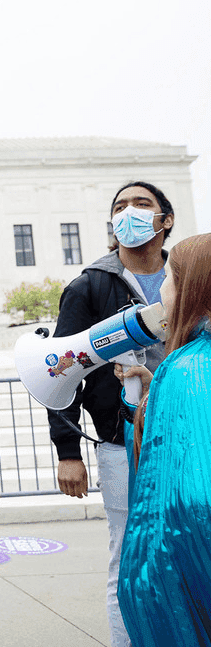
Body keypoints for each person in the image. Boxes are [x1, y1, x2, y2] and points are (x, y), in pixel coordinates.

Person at [47, 181, 174, 647]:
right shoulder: (89, 286)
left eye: (142, 204)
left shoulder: (190, 278)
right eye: (120, 206)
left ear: (166, 221)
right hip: (121, 445)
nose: (129, 213)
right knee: (127, 554)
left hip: (186, 437)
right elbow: (60, 372)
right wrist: (68, 451)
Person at [114, 233, 211, 645]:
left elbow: (189, 502)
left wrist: (146, 587)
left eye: (169, 279)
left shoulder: (187, 368)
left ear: (194, 289)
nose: (162, 293)